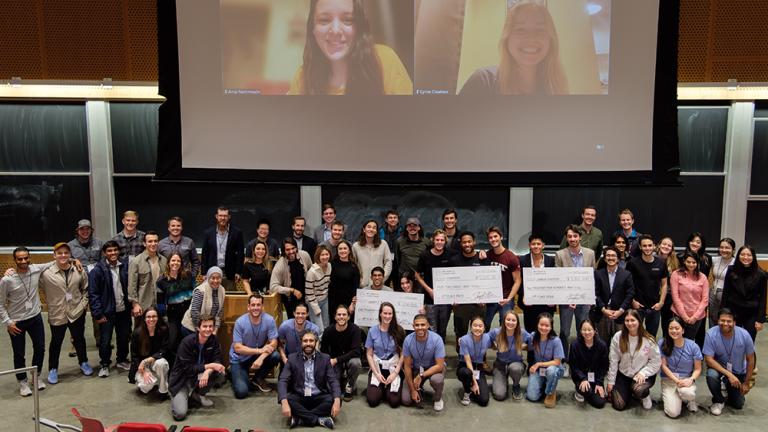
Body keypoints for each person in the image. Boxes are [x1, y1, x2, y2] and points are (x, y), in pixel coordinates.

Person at [288, 0, 412, 96]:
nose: (335, 30)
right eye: (324, 20)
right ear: (313, 29)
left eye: (347, 20)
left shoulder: (384, 61)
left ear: (360, 27)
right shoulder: (303, 78)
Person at [459, 1, 568, 95]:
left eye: (540, 29)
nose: (531, 38)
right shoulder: (483, 82)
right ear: (507, 38)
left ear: (551, 40)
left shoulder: (555, 87)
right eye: (520, 29)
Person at [0, 247, 52, 396]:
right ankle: (22, 382)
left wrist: (74, 260)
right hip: (17, 322)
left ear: (29, 258)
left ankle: (35, 377)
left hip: (35, 317)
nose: (23, 261)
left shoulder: (35, 269)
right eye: (19, 259)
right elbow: (1, 304)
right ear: (14, 260)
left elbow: (54, 262)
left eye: (25, 258)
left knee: (40, 348)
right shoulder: (7, 280)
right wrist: (8, 322)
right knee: (19, 353)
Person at [39, 242, 92, 384]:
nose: (63, 255)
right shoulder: (46, 273)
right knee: (56, 342)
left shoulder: (79, 270)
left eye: (66, 253)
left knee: (79, 339)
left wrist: (83, 305)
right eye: (59, 253)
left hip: (76, 312)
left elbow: (86, 289)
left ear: (70, 255)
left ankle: (84, 362)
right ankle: (53, 369)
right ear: (54, 255)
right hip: (57, 313)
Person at [278, 331, 341, 429]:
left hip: (319, 396)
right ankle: (319, 420)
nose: (308, 343)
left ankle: (300, 419)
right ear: (301, 343)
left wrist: (337, 401)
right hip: (300, 396)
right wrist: (284, 401)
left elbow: (333, 380)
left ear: (316, 342)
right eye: (305, 341)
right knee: (288, 400)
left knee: (335, 400)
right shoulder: (292, 358)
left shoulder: (325, 358)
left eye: (311, 341)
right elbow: (283, 380)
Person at [169, 314, 226, 421]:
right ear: (198, 328)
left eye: (210, 326)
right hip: (182, 380)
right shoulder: (186, 342)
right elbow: (189, 369)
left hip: (198, 376)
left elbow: (217, 361)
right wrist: (210, 366)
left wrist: (207, 371)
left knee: (220, 373)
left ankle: (198, 394)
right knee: (180, 414)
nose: (208, 329)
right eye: (205, 326)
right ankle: (177, 395)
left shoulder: (214, 341)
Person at [88, 241, 131, 377]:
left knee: (124, 337)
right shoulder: (97, 270)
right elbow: (93, 294)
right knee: (105, 340)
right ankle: (105, 364)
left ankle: (121, 360)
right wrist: (98, 314)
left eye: (115, 250)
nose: (113, 253)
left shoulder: (125, 267)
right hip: (106, 312)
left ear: (119, 251)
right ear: (104, 253)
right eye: (110, 251)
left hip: (123, 310)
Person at [555, 224, 596, 368]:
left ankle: (581, 358)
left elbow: (592, 277)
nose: (572, 239)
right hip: (566, 301)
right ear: (566, 238)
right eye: (570, 236)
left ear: (580, 237)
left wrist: (591, 297)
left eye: (575, 236)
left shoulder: (590, 254)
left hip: (584, 300)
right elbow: (559, 279)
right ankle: (565, 360)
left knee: (583, 329)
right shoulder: (560, 254)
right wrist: (568, 298)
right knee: (565, 331)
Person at [702, 308, 756, 415]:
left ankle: (726, 389)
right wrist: (729, 375)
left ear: (734, 323)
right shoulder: (711, 334)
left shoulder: (744, 335)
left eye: (729, 321)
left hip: (738, 372)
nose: (725, 323)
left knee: (738, 404)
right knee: (711, 375)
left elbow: (751, 359)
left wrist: (746, 382)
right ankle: (719, 400)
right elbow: (708, 359)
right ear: (717, 321)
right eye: (722, 320)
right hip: (720, 369)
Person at [605, 309, 661, 411]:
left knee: (639, 390)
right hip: (624, 374)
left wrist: (643, 373)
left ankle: (644, 395)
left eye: (633, 320)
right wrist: (611, 381)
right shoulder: (618, 337)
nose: (630, 323)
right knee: (618, 405)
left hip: (642, 375)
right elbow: (613, 360)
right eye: (627, 320)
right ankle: (629, 390)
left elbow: (656, 362)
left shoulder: (648, 340)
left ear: (639, 321)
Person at [230, 294, 280, 399]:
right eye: (253, 305)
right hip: (239, 358)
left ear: (262, 306)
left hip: (256, 355)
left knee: (275, 356)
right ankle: (233, 373)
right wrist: (259, 351)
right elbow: (237, 348)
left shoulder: (269, 320)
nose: (256, 308)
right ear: (248, 307)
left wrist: (261, 357)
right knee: (242, 392)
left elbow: (274, 343)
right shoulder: (240, 322)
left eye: (258, 305)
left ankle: (258, 378)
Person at [449, 231, 490, 346]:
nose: (467, 244)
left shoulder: (482, 259)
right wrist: (453, 298)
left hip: (479, 304)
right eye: (464, 242)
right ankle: (462, 358)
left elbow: (487, 281)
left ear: (474, 242)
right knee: (460, 333)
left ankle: (481, 359)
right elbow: (450, 282)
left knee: (479, 331)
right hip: (460, 305)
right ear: (460, 244)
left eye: (469, 241)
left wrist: (485, 298)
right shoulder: (454, 260)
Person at [658, 317, 703, 418]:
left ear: (683, 330)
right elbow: (663, 366)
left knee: (688, 393)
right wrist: (677, 381)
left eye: (677, 328)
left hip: (686, 380)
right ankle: (671, 395)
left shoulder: (693, 346)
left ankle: (688, 400)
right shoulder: (662, 343)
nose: (674, 331)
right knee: (673, 413)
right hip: (669, 380)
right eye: (671, 328)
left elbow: (698, 369)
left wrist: (691, 379)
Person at [626, 234, 669, 338]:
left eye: (650, 245)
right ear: (640, 247)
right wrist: (632, 301)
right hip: (637, 306)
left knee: (651, 336)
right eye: (644, 246)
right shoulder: (632, 263)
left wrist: (661, 302)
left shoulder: (661, 263)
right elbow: (627, 284)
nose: (647, 248)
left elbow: (664, 284)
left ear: (654, 246)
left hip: (655, 307)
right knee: (634, 335)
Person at [721, 245, 767, 342]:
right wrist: (723, 313)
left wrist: (760, 320)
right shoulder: (731, 270)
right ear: (738, 255)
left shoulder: (761, 274)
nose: (745, 257)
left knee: (748, 341)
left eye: (749, 255)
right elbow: (726, 292)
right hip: (733, 311)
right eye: (743, 254)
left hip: (751, 313)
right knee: (731, 339)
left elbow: (763, 298)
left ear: (753, 257)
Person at [414, 229, 453, 340]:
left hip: (445, 299)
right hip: (430, 298)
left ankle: (440, 353)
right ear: (433, 240)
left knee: (442, 329)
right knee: (432, 328)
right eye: (437, 240)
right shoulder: (425, 255)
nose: (439, 242)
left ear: (445, 241)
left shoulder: (450, 255)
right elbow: (417, 275)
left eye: (442, 240)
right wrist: (429, 290)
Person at [401, 314, 446, 411]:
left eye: (423, 325)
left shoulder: (437, 339)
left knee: (437, 380)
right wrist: (412, 390)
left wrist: (421, 375)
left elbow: (440, 366)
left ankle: (438, 398)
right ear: (413, 326)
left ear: (428, 325)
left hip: (433, 369)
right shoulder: (408, 340)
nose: (420, 328)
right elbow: (407, 366)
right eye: (417, 325)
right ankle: (417, 389)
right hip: (416, 368)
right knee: (406, 400)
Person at [365, 302, 405, 408]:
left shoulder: (399, 330)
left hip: (394, 368)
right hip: (377, 368)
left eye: (390, 314)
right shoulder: (372, 331)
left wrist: (395, 373)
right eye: (385, 313)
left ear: (393, 315)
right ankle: (380, 388)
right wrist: (376, 374)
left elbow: (402, 354)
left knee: (394, 402)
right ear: (380, 314)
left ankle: (386, 388)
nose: (387, 316)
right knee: (373, 401)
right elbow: (369, 354)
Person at [321, 304, 363, 402]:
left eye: (344, 315)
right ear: (335, 317)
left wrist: (337, 360)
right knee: (332, 390)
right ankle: (341, 379)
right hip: (335, 361)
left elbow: (356, 351)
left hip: (348, 359)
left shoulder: (355, 329)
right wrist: (330, 361)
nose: (341, 317)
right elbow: (324, 350)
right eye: (339, 315)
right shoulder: (328, 331)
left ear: (348, 317)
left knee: (356, 363)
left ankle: (349, 387)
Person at [518, 234, 556, 337]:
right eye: (533, 244)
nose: (536, 246)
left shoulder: (551, 261)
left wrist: (554, 298)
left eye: (538, 244)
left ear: (543, 245)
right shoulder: (522, 260)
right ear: (529, 245)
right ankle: (531, 353)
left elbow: (554, 281)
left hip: (547, 303)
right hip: (529, 303)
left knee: (546, 330)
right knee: (530, 331)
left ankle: (545, 352)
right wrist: (524, 296)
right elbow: (518, 281)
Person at [593, 246, 634, 341]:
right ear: (604, 258)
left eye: (613, 256)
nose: (610, 258)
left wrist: (621, 310)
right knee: (602, 342)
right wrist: (603, 309)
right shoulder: (598, 274)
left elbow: (630, 294)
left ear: (618, 259)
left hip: (620, 313)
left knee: (621, 342)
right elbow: (595, 293)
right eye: (608, 255)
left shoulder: (626, 274)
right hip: (602, 313)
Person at [484, 226, 521, 329]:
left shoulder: (511, 257)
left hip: (506, 297)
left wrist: (509, 298)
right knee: (484, 324)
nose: (493, 239)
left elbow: (517, 281)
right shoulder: (487, 255)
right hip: (490, 297)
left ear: (501, 237)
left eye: (495, 236)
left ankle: (503, 345)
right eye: (490, 237)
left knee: (505, 326)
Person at [156, 252, 195, 348]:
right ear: (168, 262)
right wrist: (164, 319)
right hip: (173, 314)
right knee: (173, 341)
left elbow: (196, 292)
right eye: (173, 260)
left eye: (178, 261)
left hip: (188, 312)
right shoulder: (161, 281)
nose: (175, 263)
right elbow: (160, 303)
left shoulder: (188, 275)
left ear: (181, 263)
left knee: (189, 341)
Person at [128, 231, 168, 323]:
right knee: (141, 333)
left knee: (160, 332)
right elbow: (132, 285)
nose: (153, 244)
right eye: (150, 241)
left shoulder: (164, 260)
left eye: (155, 241)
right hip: (143, 305)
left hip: (160, 304)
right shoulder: (136, 262)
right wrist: (135, 304)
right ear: (144, 243)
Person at [200, 206, 244, 291]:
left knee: (229, 298)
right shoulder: (208, 233)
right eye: (220, 215)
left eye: (225, 216)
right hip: (212, 271)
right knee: (212, 299)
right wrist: (204, 272)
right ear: (216, 216)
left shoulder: (237, 232)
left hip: (229, 272)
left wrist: (238, 272)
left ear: (229, 217)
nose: (223, 218)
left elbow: (240, 254)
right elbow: (205, 254)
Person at [488, 310, 529, 401]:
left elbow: (534, 341)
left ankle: (515, 385)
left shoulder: (522, 333)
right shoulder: (496, 332)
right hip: (500, 364)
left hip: (516, 363)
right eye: (508, 319)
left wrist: (524, 346)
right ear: (504, 321)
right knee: (499, 395)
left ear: (517, 322)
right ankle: (503, 379)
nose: (510, 322)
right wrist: (493, 345)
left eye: (513, 320)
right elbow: (483, 338)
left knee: (515, 369)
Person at [526, 313, 565, 408]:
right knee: (532, 397)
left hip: (554, 368)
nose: (543, 328)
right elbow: (527, 347)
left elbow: (557, 362)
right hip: (539, 370)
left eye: (547, 325)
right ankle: (547, 384)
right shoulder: (533, 336)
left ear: (551, 327)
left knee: (551, 371)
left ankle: (550, 392)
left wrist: (539, 364)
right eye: (541, 325)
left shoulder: (556, 340)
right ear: (537, 325)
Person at [130, 307, 171, 395]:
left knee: (162, 364)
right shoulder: (137, 333)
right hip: (142, 366)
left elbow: (164, 350)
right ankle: (152, 379)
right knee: (147, 387)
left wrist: (146, 361)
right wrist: (143, 371)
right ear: (144, 319)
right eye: (148, 317)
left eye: (154, 316)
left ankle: (163, 390)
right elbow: (134, 356)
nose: (151, 319)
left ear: (158, 318)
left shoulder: (163, 330)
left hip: (156, 362)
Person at [569, 319, 608, 408]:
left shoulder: (602, 345)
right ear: (580, 331)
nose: (587, 332)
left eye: (590, 330)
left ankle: (588, 391)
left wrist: (599, 383)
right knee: (587, 390)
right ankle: (579, 390)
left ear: (595, 330)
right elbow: (573, 366)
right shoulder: (574, 345)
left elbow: (604, 366)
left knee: (600, 403)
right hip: (580, 376)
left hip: (596, 377)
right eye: (584, 330)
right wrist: (583, 378)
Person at [670, 252, 709, 341]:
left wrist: (695, 317)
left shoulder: (702, 277)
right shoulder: (676, 274)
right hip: (678, 314)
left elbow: (705, 299)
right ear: (684, 261)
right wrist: (684, 316)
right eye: (688, 262)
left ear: (697, 263)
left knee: (689, 341)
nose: (691, 264)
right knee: (677, 339)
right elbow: (675, 297)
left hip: (697, 316)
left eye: (694, 262)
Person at [270, 237, 313, 318]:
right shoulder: (280, 264)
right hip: (290, 300)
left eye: (293, 248)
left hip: (306, 296)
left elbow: (312, 271)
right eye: (288, 249)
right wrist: (292, 290)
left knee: (308, 321)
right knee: (294, 322)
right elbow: (273, 287)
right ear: (284, 251)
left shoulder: (305, 255)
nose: (291, 251)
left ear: (296, 247)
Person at [457, 316, 492, 407]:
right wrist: (475, 383)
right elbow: (468, 362)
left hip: (478, 367)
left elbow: (498, 335)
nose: (477, 328)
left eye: (480, 326)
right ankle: (467, 392)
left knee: (484, 401)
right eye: (475, 325)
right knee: (466, 373)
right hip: (465, 366)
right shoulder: (464, 340)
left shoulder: (487, 338)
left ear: (484, 328)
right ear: (470, 327)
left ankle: (472, 386)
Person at [180, 267, 226, 336]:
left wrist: (215, 328)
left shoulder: (222, 290)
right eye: (212, 278)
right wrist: (202, 331)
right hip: (192, 327)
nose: (215, 281)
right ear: (208, 278)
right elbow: (195, 312)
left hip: (206, 328)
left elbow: (220, 311)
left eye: (218, 278)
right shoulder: (200, 290)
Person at [352, 219, 392, 288]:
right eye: (369, 227)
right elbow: (353, 265)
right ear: (364, 229)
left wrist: (382, 278)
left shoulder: (383, 244)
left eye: (374, 228)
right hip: (362, 286)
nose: (371, 229)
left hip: (379, 286)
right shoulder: (356, 246)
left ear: (376, 231)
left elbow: (388, 262)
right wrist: (359, 280)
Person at [328, 240, 360, 322]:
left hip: (348, 302)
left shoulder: (354, 266)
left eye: (345, 248)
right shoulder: (331, 264)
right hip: (333, 302)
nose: (343, 251)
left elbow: (356, 287)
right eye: (340, 249)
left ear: (349, 250)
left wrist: (352, 304)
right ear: (337, 251)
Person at [395, 217, 431, 292]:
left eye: (414, 225)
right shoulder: (400, 241)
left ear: (419, 228)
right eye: (409, 226)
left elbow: (429, 260)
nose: (412, 228)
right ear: (406, 228)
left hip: (421, 279)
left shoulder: (427, 242)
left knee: (420, 300)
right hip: (405, 279)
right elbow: (398, 259)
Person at [708, 237, 736, 328]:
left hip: (727, 294)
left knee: (725, 319)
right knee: (712, 318)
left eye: (727, 248)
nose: (724, 250)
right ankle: (713, 338)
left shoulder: (736, 263)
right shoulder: (715, 260)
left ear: (733, 249)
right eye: (721, 247)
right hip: (713, 292)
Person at [306, 245, 333, 332]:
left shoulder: (329, 266)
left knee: (326, 325)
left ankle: (325, 345)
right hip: (313, 301)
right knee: (319, 329)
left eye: (327, 254)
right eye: (322, 255)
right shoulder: (312, 272)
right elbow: (309, 292)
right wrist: (316, 309)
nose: (325, 257)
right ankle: (317, 345)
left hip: (325, 299)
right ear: (318, 256)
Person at [656, 236, 681, 329]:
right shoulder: (651, 257)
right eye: (664, 244)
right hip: (653, 295)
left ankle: (666, 341)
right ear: (659, 245)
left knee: (667, 322)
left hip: (668, 296)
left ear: (672, 249)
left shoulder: (675, 261)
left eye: (669, 245)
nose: (666, 247)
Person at [379, 210, 402, 288]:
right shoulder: (380, 232)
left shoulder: (403, 232)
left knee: (398, 287)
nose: (393, 219)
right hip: (384, 264)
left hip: (398, 264)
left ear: (398, 220)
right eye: (390, 218)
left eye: (395, 217)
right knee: (384, 287)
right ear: (386, 220)